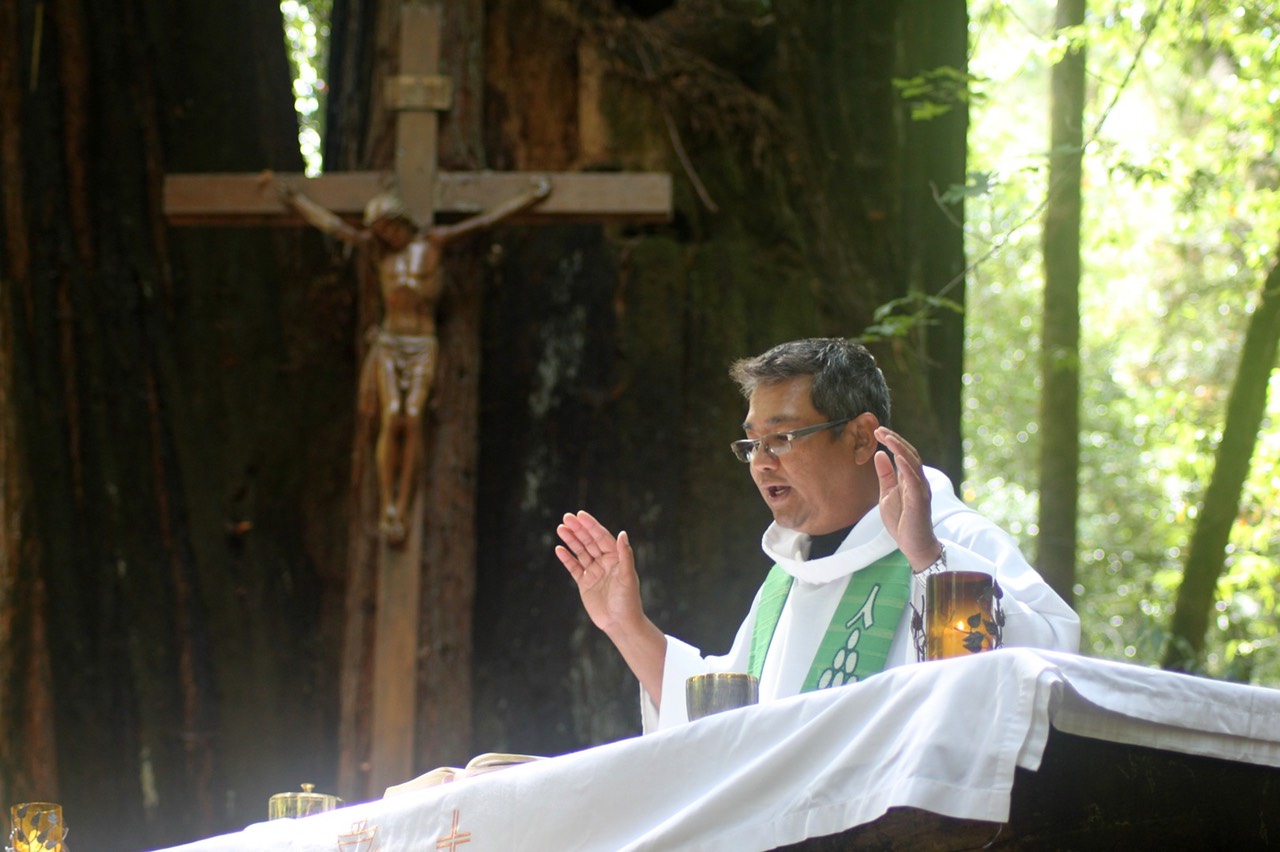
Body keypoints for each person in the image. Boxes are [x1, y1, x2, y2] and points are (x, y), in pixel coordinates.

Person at [555, 337, 1079, 731]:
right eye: (752, 444)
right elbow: (724, 724)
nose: (761, 463)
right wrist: (626, 624)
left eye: (782, 438)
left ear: (860, 438)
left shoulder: (953, 539)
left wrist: (927, 558)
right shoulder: (786, 580)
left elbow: (1048, 670)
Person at [275, 175, 551, 545]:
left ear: (402, 220)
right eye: (380, 231)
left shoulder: (434, 243)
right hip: (391, 341)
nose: (387, 235)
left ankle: (403, 504)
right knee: (392, 415)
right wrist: (297, 202)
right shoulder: (378, 254)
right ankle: (387, 506)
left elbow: (485, 221)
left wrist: (528, 197)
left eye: (390, 227)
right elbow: (335, 227)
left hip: (422, 343)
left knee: (413, 417)